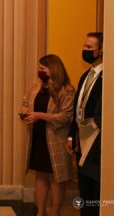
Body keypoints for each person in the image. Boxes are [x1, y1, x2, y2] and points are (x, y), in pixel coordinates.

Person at [21, 54, 75, 216]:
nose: (39, 71)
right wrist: (25, 112)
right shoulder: (36, 84)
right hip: (38, 137)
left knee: (56, 178)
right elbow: (25, 101)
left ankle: (55, 212)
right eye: (39, 68)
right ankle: (40, 211)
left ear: (53, 69)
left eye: (42, 69)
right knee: (41, 175)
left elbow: (65, 118)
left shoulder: (67, 90)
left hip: (56, 140)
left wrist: (40, 116)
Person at [66, 32, 103, 216]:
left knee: (95, 195)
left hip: (97, 146)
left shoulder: (108, 77)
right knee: (84, 193)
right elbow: (77, 109)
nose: (85, 50)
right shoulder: (85, 76)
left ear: (102, 50)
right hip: (82, 142)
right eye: (84, 46)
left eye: (89, 47)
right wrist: (72, 135)